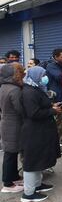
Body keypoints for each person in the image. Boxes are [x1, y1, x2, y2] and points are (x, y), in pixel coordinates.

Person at [21, 66, 61, 202]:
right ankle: (28, 193)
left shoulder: (36, 88)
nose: (45, 77)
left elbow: (40, 106)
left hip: (41, 130)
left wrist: (51, 107)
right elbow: (33, 113)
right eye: (43, 75)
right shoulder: (29, 92)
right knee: (32, 161)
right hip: (34, 131)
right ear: (36, 76)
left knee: (39, 158)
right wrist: (52, 111)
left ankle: (37, 185)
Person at [0, 63, 24, 193]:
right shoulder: (14, 89)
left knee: (11, 152)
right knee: (10, 154)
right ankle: (8, 184)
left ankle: (14, 177)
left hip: (6, 122)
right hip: (13, 125)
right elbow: (20, 109)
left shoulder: (4, 86)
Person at [46, 49, 62, 146]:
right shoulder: (51, 66)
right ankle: (56, 143)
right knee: (59, 121)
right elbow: (60, 77)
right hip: (58, 97)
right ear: (56, 57)